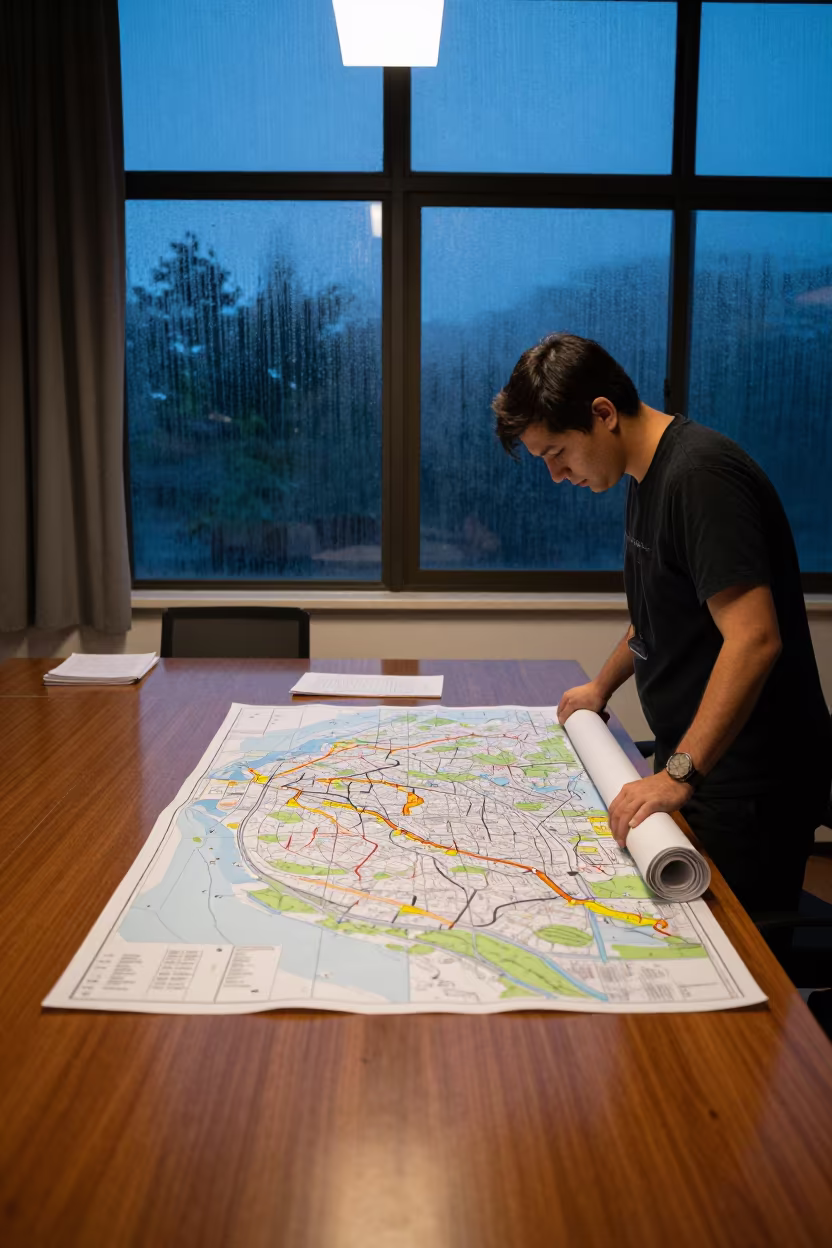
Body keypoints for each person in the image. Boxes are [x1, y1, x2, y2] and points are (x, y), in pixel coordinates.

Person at [493, 332, 831, 920]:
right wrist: (601, 688)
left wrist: (678, 773)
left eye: (555, 453)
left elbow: (754, 639)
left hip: (748, 785)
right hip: (708, 768)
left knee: (727, 969)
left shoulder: (700, 477)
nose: (556, 475)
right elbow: (657, 608)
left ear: (602, 414)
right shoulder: (647, 477)